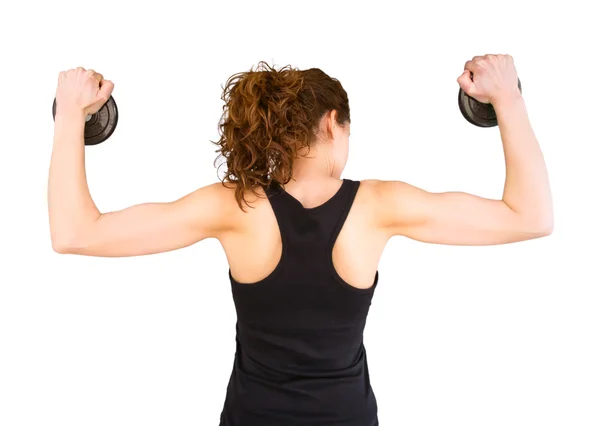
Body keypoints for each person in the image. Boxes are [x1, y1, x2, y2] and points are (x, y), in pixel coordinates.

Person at [48, 55, 553, 426]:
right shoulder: (380, 206)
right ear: (334, 123)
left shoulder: (234, 206)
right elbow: (530, 217)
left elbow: (76, 232)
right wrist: (506, 98)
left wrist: (72, 115)